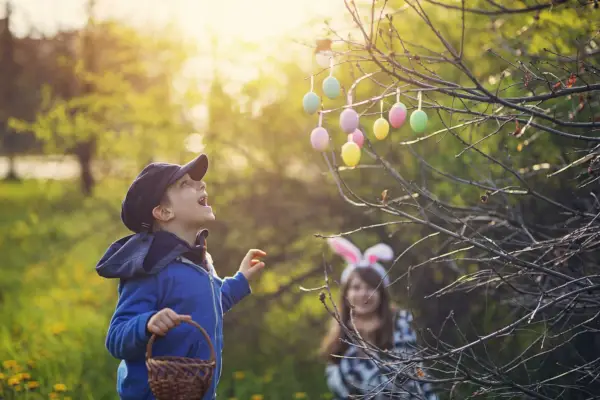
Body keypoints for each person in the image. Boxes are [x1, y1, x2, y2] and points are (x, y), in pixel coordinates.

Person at [95, 154, 266, 400]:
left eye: (198, 182)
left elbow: (209, 303)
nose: (201, 185)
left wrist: (241, 280)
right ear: (163, 212)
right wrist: (147, 323)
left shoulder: (200, 259)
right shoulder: (152, 267)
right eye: (185, 184)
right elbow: (116, 337)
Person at [320, 237, 437, 399]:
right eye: (356, 287)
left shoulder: (401, 325)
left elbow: (416, 376)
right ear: (346, 294)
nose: (363, 294)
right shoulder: (340, 336)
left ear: (382, 294)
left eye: (371, 287)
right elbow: (340, 390)